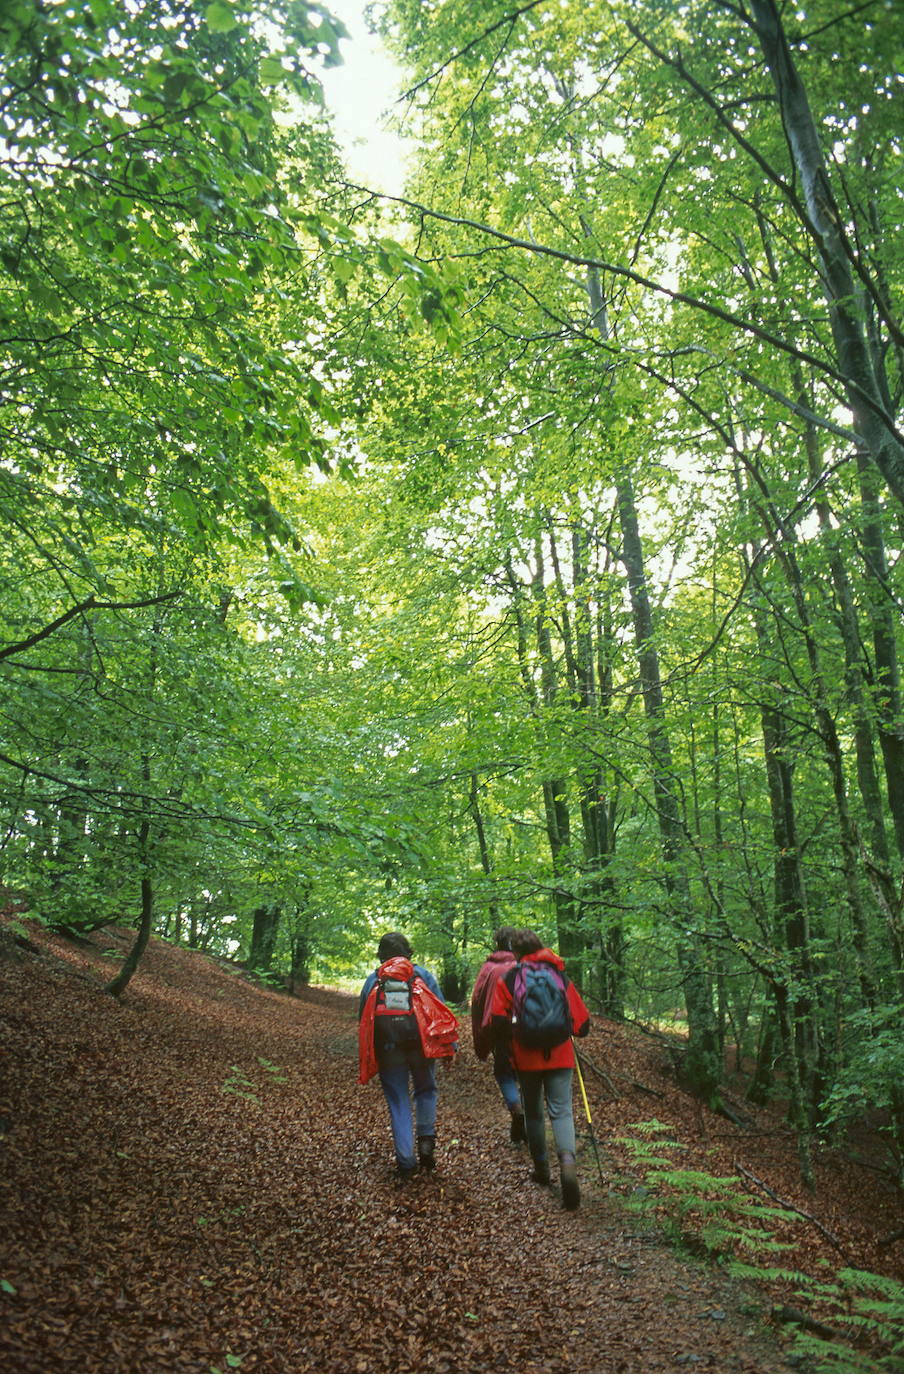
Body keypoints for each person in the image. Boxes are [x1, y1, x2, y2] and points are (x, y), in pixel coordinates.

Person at [491, 928, 590, 1210]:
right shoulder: (559, 976)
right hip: (560, 1054)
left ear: (517, 953)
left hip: (526, 1055)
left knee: (533, 1112)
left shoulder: (509, 978)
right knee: (561, 1110)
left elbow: (498, 1020)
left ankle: (542, 1170)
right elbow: (583, 1025)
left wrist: (507, 1046)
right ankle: (568, 1164)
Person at [358, 932, 457, 1179]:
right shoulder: (421, 975)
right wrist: (449, 1047)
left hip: (389, 1049)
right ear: (408, 952)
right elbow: (439, 1011)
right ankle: (426, 1140)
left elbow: (364, 1018)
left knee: (398, 1100)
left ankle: (406, 1160)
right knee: (426, 1089)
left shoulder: (375, 979)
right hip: (421, 1046)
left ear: (381, 954)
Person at [470, 926, 526, 1142]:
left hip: (501, 1028)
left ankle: (516, 1107)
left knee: (504, 1072)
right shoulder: (528, 966)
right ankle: (527, 1116)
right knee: (526, 1074)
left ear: (498, 944)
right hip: (528, 1028)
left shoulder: (489, 969)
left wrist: (482, 1035)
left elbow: (477, 1000)